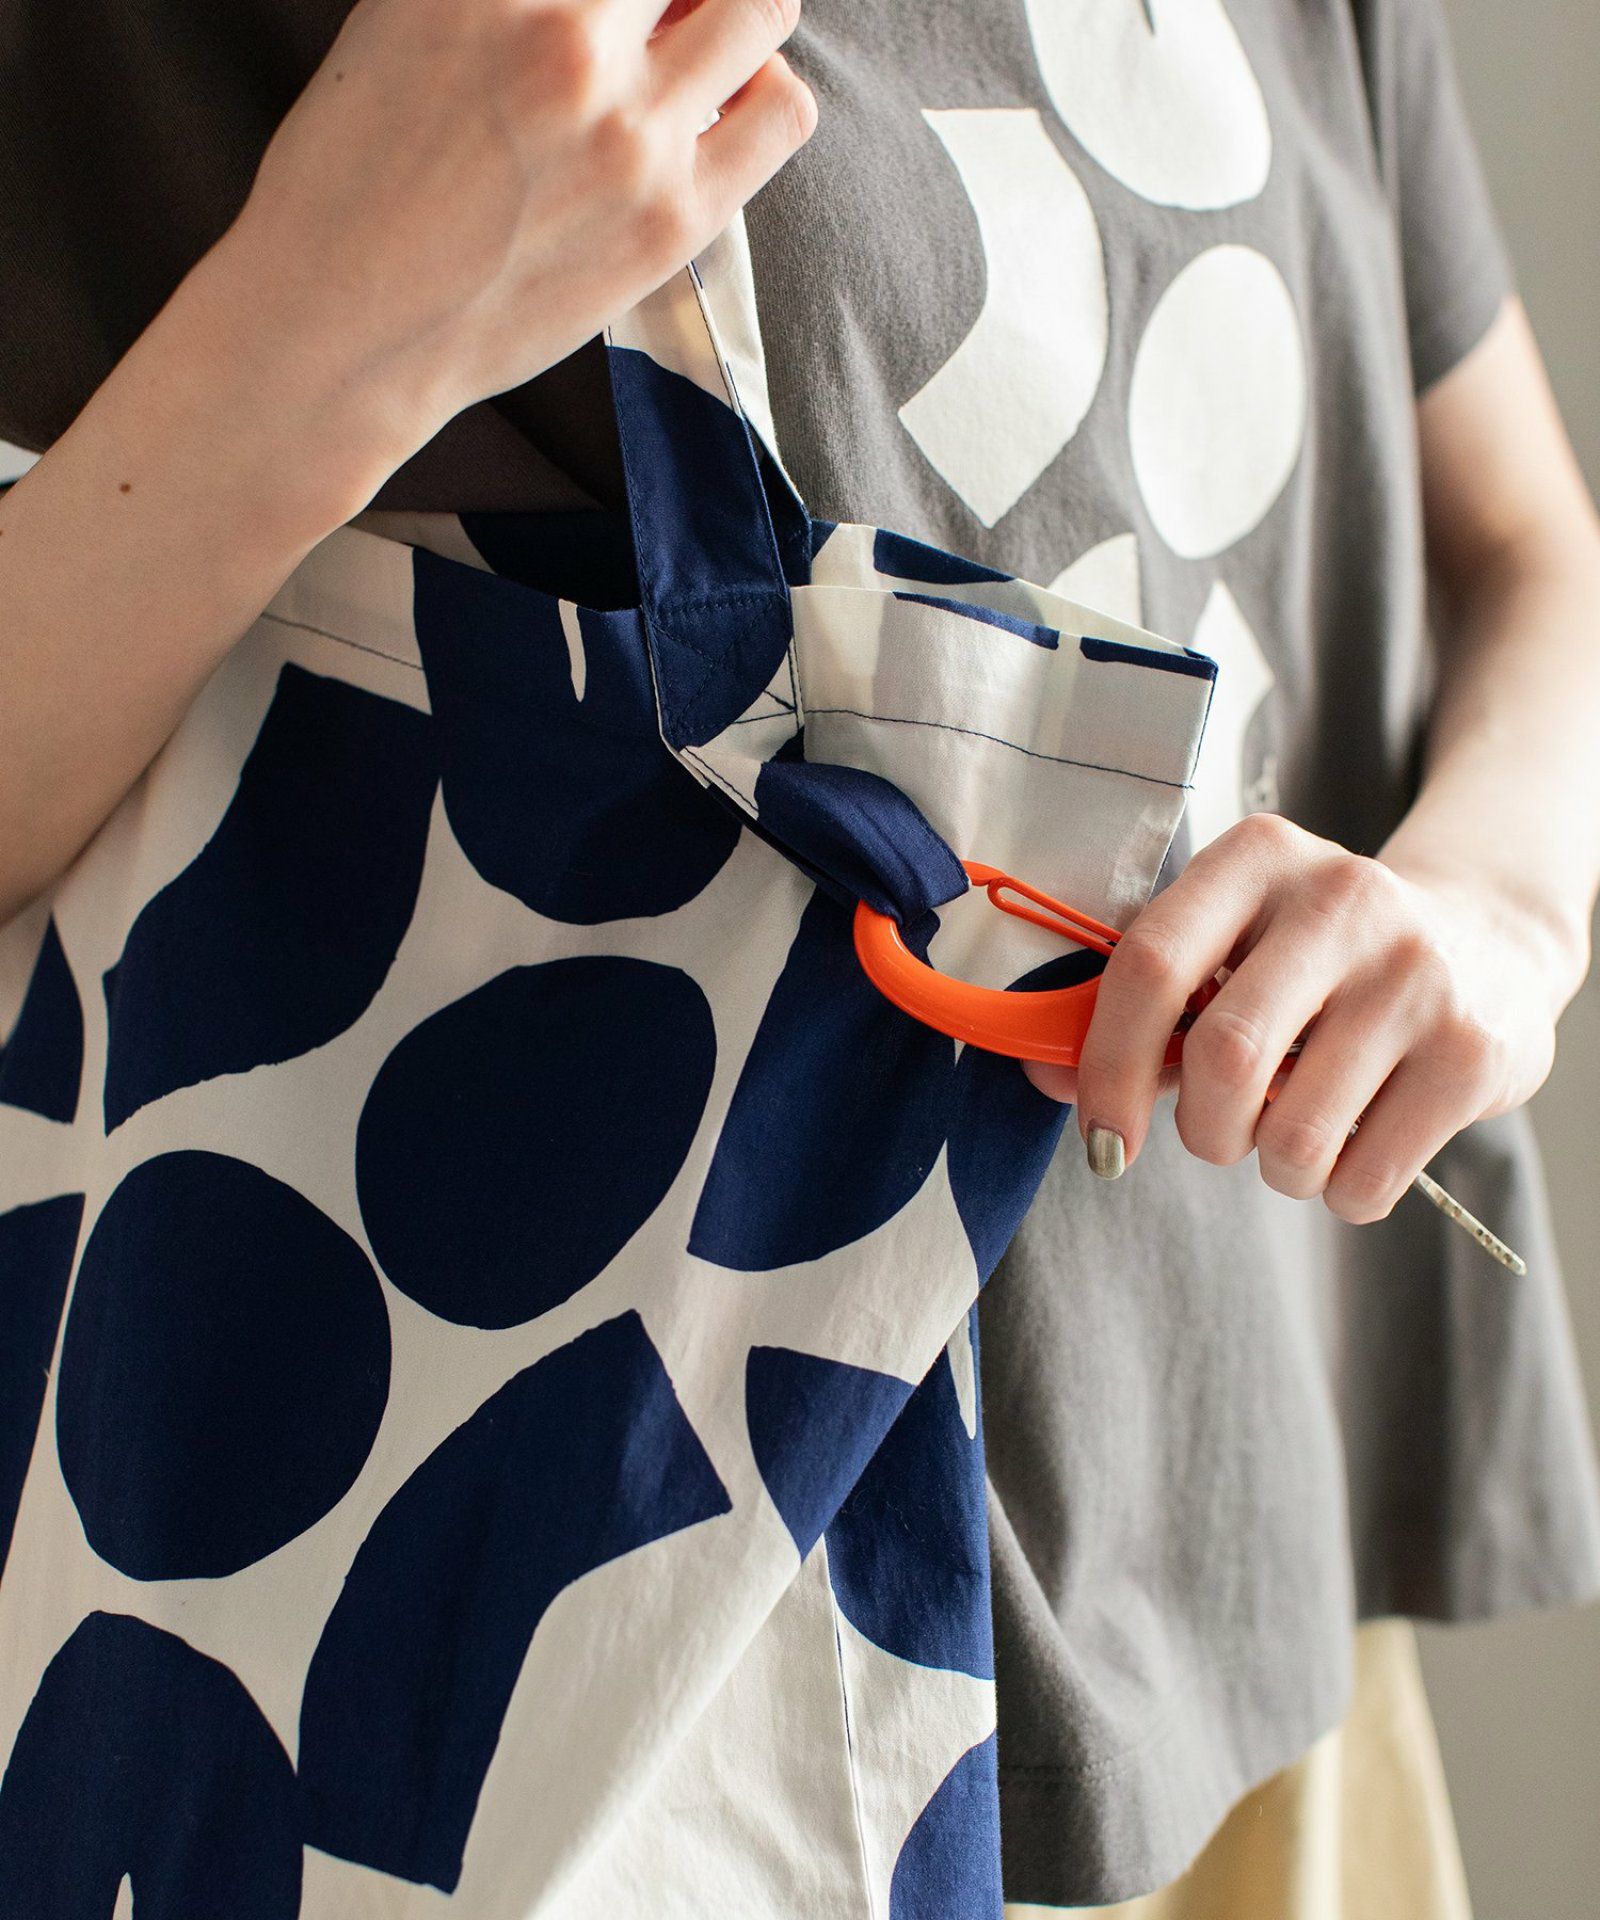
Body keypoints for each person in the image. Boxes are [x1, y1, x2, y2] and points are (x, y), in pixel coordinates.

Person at [1, 1, 1597, 1915]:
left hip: (1238, 1568)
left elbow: (1525, 541)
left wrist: (1502, 914)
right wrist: (329, 314)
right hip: (631, 1692)